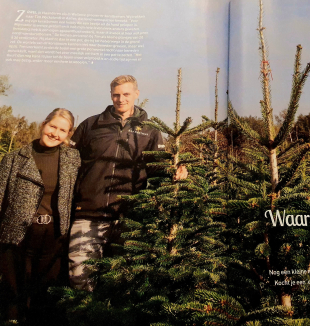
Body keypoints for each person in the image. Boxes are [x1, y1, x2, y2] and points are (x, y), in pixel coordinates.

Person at [68, 75, 187, 291]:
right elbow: (67, 161)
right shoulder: (91, 125)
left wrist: (175, 170)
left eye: (126, 94)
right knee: (80, 277)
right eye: (116, 94)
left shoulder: (150, 130)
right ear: (111, 95)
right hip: (88, 214)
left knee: (122, 281)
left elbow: (157, 168)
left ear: (136, 94)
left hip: (128, 218)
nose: (120, 99)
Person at [0, 108, 80, 324]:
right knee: (14, 295)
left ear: (69, 134)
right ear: (44, 124)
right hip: (17, 238)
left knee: (44, 298)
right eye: (52, 126)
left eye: (62, 130)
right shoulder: (14, 158)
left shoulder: (73, 160)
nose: (55, 133)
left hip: (53, 238)